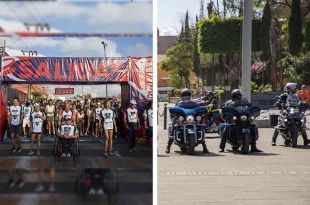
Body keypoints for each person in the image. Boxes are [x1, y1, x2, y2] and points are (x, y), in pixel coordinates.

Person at [166, 88, 209, 153]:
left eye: (188, 94)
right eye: (185, 94)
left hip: (191, 119)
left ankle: (204, 147)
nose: (186, 96)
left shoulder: (193, 103)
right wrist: (173, 111)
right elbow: (174, 110)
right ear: (182, 95)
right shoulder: (179, 102)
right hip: (181, 119)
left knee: (200, 128)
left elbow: (197, 107)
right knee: (174, 127)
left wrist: (202, 109)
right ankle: (168, 147)